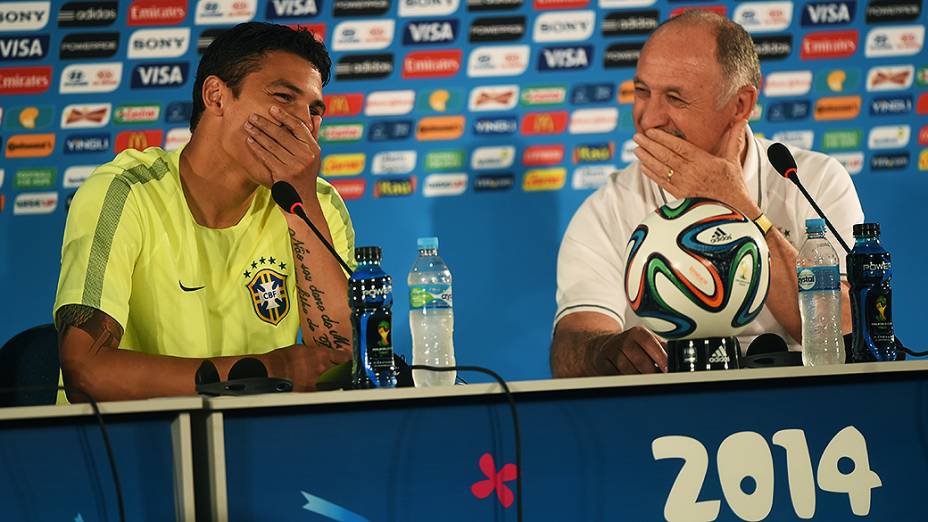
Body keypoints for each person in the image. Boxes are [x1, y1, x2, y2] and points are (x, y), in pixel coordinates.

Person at [550, 11, 863, 377]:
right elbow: (569, 352)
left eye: (675, 98)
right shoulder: (610, 207)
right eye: (642, 91)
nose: (649, 117)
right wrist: (606, 350)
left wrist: (734, 201)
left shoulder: (811, 180)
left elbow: (846, 333)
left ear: (740, 105)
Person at [53, 22, 355, 401]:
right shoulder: (126, 192)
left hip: (261, 440)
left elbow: (342, 364)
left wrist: (301, 203)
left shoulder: (317, 205)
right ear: (216, 96)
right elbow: (87, 371)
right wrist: (263, 371)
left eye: (314, 110)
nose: (303, 124)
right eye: (283, 97)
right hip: (127, 445)